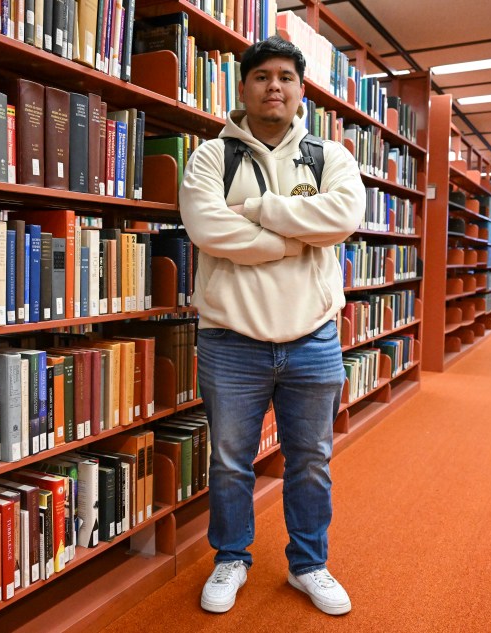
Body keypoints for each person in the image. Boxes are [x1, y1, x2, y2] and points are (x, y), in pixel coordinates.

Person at [179, 35, 365, 616]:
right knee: (230, 462)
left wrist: (260, 213)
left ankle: (309, 565)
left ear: (300, 89)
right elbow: (209, 231)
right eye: (261, 77)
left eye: (285, 76)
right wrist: (296, 242)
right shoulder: (212, 157)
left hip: (313, 338)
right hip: (230, 342)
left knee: (310, 460)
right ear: (244, 87)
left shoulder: (329, 155)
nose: (274, 86)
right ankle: (231, 558)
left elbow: (343, 216)